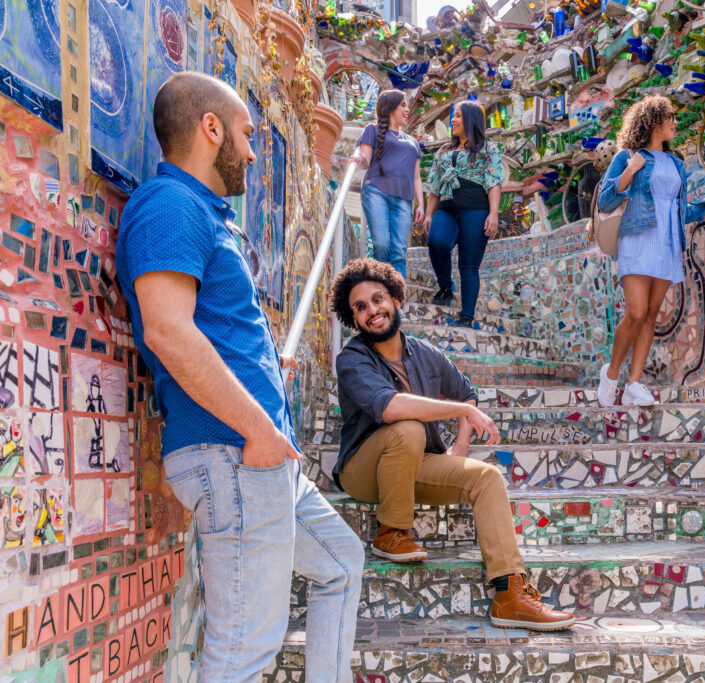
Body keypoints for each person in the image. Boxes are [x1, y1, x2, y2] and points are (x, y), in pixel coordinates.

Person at [116, 71, 363, 682]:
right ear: (210, 128)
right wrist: (257, 428)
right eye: (248, 135)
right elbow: (167, 330)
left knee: (341, 561)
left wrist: (265, 375)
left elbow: (211, 330)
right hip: (234, 454)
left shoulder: (207, 214)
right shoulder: (169, 204)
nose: (253, 151)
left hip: (255, 455)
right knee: (243, 653)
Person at [330, 258, 575, 631]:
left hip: (413, 463)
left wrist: (460, 444)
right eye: (359, 307)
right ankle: (391, 530)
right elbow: (392, 408)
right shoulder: (352, 358)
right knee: (408, 427)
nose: (372, 311)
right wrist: (460, 409)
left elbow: (467, 394)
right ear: (353, 319)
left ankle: (510, 594)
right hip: (363, 471)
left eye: (378, 299)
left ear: (396, 299)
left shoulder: (425, 353)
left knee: (488, 478)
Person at [595, 95, 705, 407]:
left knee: (651, 316)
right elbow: (605, 201)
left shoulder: (677, 163)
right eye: (669, 116)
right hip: (638, 238)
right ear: (652, 120)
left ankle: (633, 384)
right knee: (636, 311)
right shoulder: (628, 155)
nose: (674, 122)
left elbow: (679, 210)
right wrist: (629, 171)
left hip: (668, 242)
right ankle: (612, 373)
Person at [423, 100, 505, 326]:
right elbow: (434, 184)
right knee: (437, 242)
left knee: (468, 265)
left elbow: (494, 183)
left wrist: (494, 214)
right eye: (453, 116)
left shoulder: (488, 150)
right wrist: (429, 214)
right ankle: (445, 287)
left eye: (458, 116)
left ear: (471, 119)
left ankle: (467, 316)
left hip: (476, 210)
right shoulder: (444, 150)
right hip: (447, 207)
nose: (453, 120)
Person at [350, 89, 424, 277]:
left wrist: (420, 204)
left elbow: (416, 177)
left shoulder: (413, 142)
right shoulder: (372, 130)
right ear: (390, 106)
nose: (407, 110)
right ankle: (379, 293)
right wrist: (357, 159)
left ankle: (397, 301)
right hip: (376, 192)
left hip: (404, 200)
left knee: (399, 252)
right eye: (403, 105)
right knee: (382, 246)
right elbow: (365, 160)